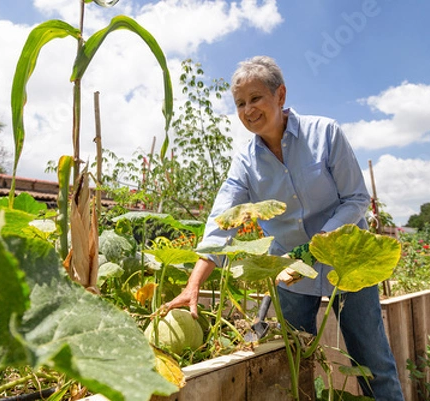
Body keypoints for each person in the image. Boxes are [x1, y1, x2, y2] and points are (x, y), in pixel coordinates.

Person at [165, 56, 404, 400]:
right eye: (240, 103)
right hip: (290, 270)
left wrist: (322, 241)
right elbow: (221, 223)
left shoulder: (326, 133)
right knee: (295, 362)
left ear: (280, 95)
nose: (248, 110)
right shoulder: (245, 163)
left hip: (349, 260)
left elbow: (355, 199)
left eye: (256, 98)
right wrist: (193, 285)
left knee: (372, 361)